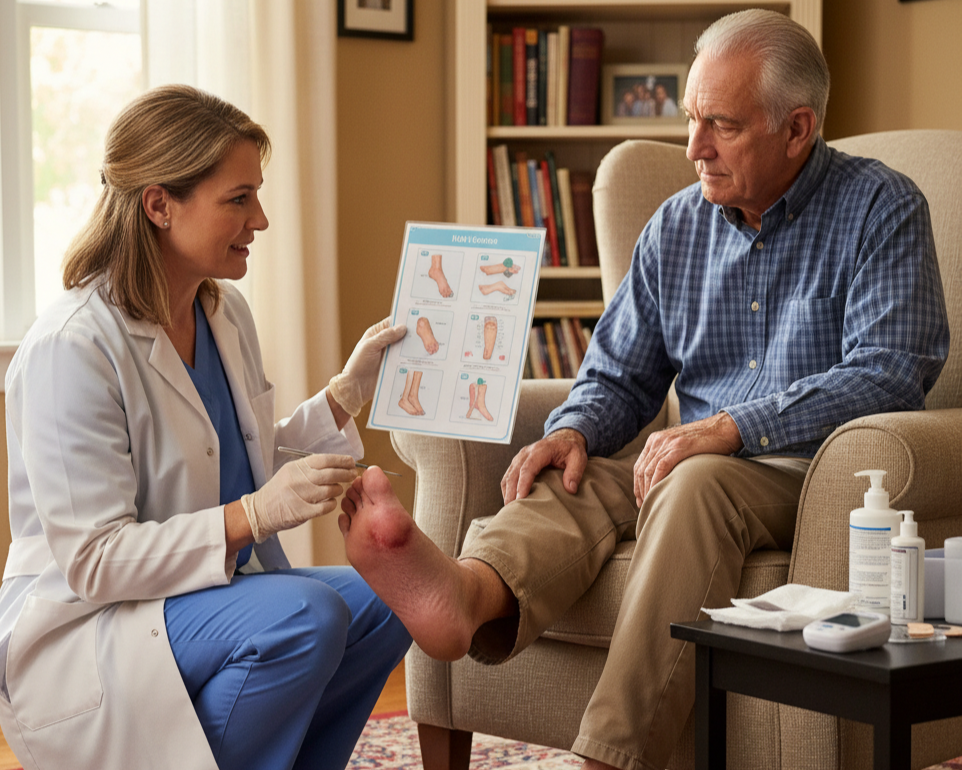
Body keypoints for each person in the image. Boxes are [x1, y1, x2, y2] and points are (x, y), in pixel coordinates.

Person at [336, 9, 950, 770]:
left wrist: (730, 427)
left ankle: (611, 757)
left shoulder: (881, 210)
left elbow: (888, 370)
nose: (693, 149)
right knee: (574, 475)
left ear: (798, 128)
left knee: (695, 482)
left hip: (816, 474)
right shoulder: (675, 226)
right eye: (693, 119)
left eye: (720, 126)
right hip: (693, 463)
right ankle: (466, 596)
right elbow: (620, 373)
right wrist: (576, 429)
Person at [0, 84, 411, 770]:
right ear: (160, 204)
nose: (262, 219)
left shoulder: (223, 313)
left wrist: (346, 394)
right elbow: (95, 560)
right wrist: (251, 516)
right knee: (307, 617)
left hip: (192, 598)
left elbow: (234, 456)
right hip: (91, 624)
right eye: (239, 198)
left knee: (397, 596)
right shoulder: (69, 349)